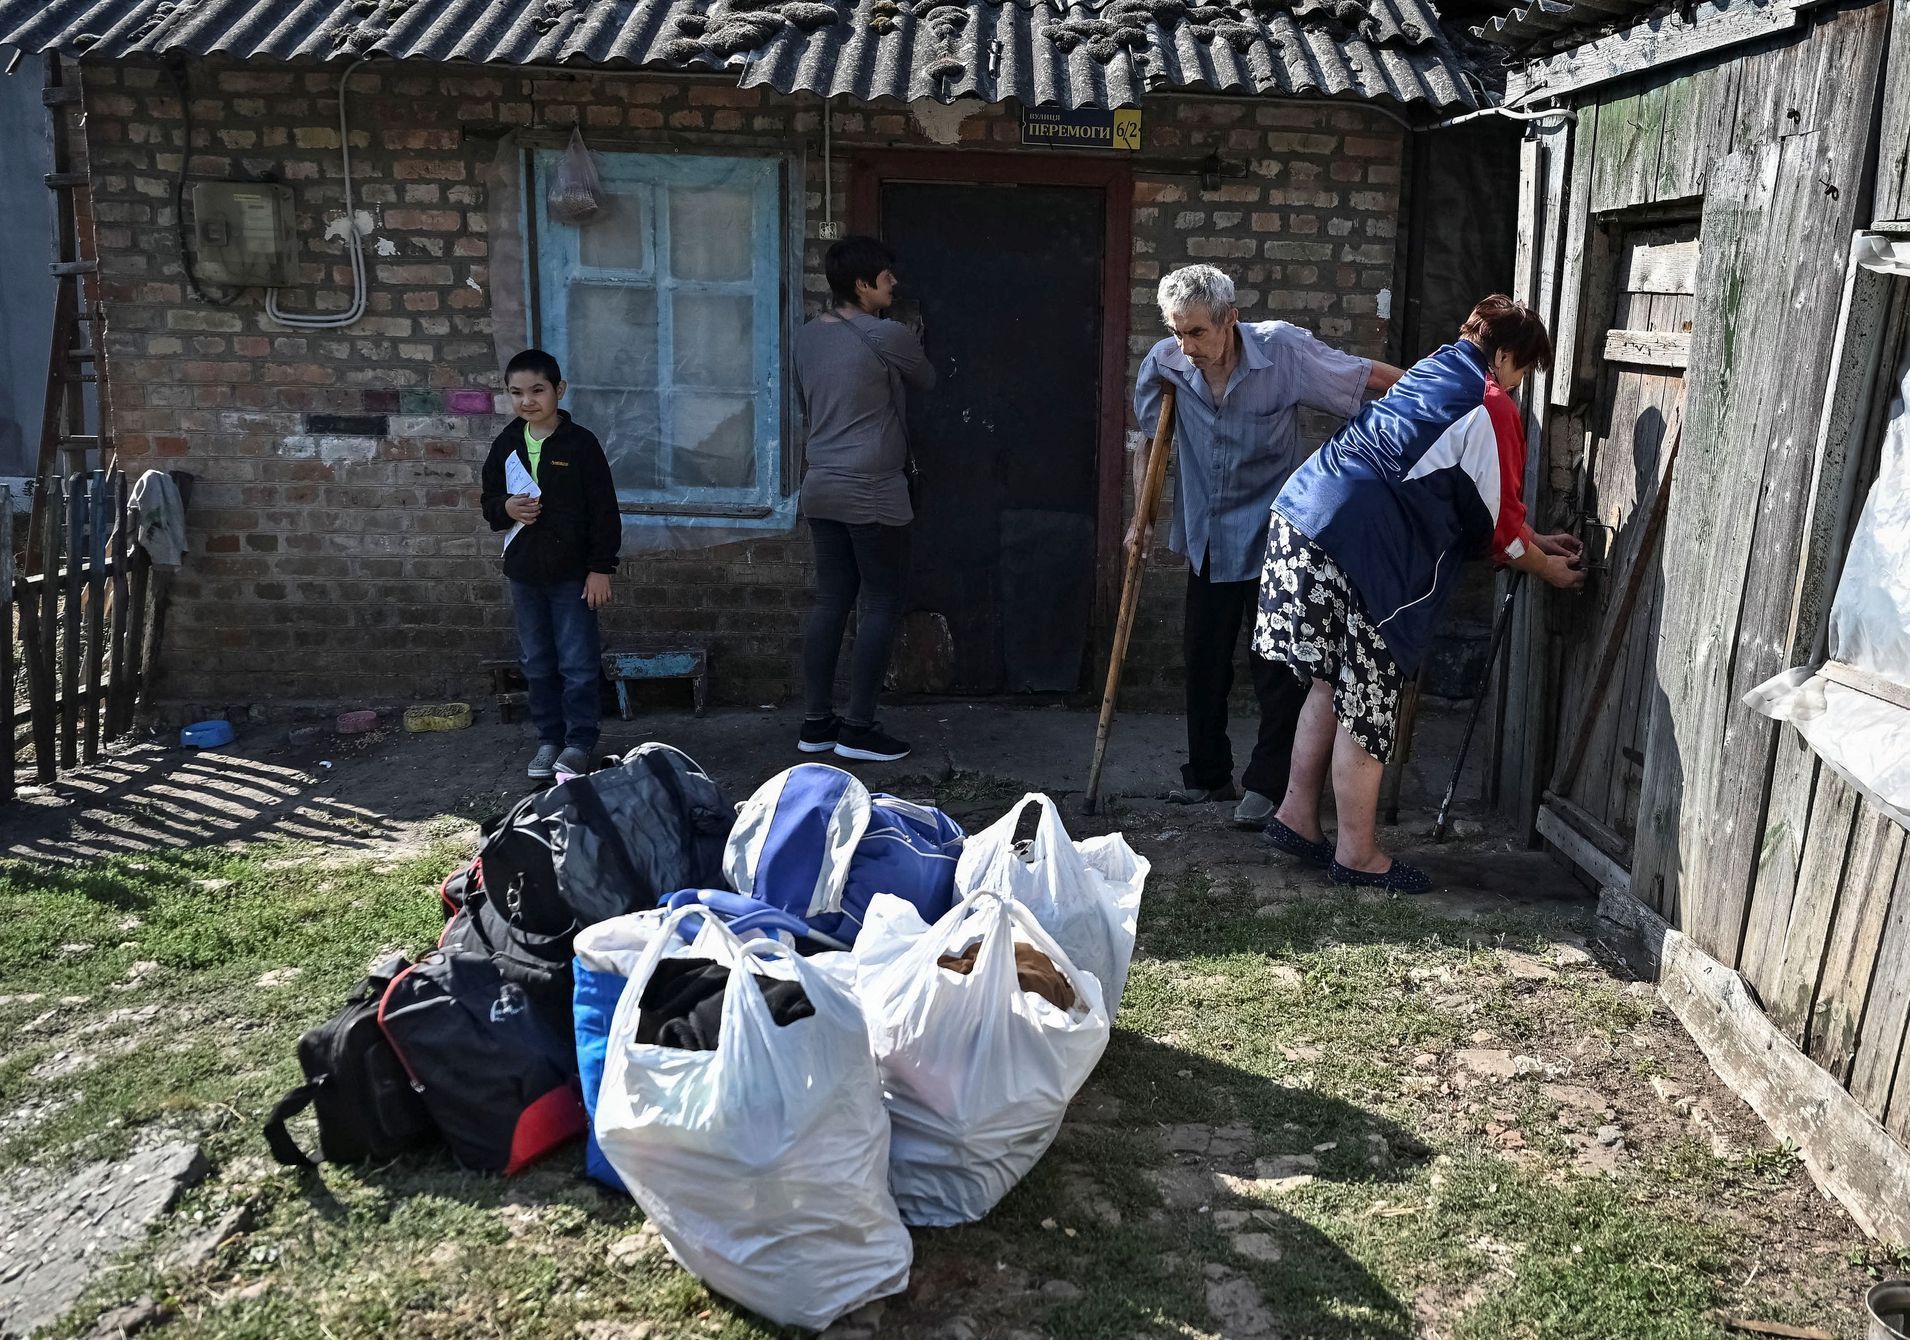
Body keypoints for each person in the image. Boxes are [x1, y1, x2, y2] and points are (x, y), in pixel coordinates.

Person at [1254, 295, 1586, 892]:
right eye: (1523, 370)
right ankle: (1357, 855)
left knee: (1330, 680)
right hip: (1364, 548)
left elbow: (1468, 490)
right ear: (1506, 355)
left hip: (1304, 516)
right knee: (1368, 698)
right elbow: (1500, 539)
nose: (1520, 384)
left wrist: (1534, 537)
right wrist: (1548, 568)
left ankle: (1295, 818)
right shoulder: (1491, 405)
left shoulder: (1431, 370)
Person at [1131, 265, 1404, 826]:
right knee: (1203, 662)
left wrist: (1443, 389)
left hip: (1273, 537)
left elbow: (1362, 378)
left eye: (1198, 333)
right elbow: (1146, 444)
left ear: (1231, 319)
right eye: (1177, 331)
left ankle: (1267, 785)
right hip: (1209, 538)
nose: (1187, 346)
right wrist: (1142, 517)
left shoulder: (1282, 352)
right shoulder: (1165, 364)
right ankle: (1207, 777)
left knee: (1275, 669)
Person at [791, 235, 934, 764]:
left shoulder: (807, 337)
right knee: (881, 602)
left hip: (821, 483)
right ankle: (857, 728)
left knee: (832, 599)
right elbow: (927, 377)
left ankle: (815, 723)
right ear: (862, 284)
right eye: (887, 277)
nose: (894, 284)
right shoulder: (887, 333)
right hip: (872, 487)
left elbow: (805, 398)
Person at [479, 349, 620, 782]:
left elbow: (604, 511)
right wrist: (507, 507)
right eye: (516, 393)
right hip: (524, 573)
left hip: (574, 575)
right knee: (536, 661)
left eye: (537, 390)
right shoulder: (507, 443)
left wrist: (600, 568)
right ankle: (549, 739)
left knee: (577, 662)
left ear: (559, 390)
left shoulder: (581, 444)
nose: (528, 401)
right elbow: (489, 504)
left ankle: (579, 743)